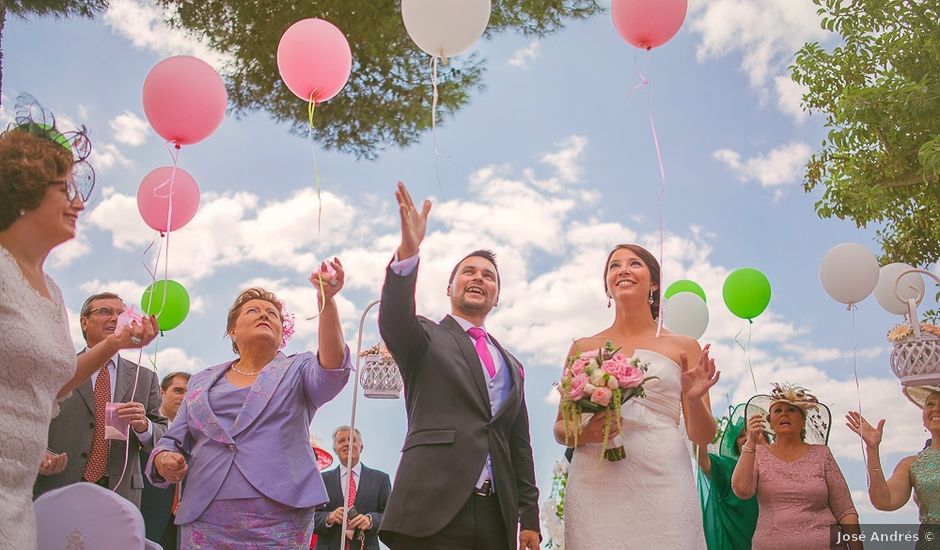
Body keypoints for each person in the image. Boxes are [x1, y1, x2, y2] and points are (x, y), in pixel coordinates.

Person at [0, 95, 157, 549]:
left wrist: (115, 344)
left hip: (15, 502)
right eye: (64, 190)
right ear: (23, 190)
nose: (78, 204)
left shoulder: (52, 293)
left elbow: (55, 382)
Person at [377, 182, 541, 550]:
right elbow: (393, 318)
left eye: (488, 276)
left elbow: (519, 443)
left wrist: (529, 515)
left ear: (496, 297)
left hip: (496, 515)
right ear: (449, 287)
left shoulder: (512, 366)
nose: (478, 278)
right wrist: (408, 252)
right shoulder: (424, 337)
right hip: (432, 510)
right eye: (468, 272)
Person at [147, 276, 351, 549]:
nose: (264, 315)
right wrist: (164, 458)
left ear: (281, 332)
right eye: (253, 310)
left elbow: (333, 366)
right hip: (205, 515)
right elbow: (172, 439)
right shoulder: (200, 381)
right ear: (232, 331)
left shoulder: (299, 369)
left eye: (273, 314)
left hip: (280, 516)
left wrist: (327, 301)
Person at [554, 243, 718, 550]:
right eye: (614, 266)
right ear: (607, 284)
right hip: (595, 480)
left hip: (664, 478)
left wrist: (694, 399)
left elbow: (703, 435)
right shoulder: (582, 347)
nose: (623, 270)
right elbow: (561, 428)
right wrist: (586, 432)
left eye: (634, 264)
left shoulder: (684, 346)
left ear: (654, 282)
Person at [34, 292, 169, 506]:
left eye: (121, 313)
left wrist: (144, 427)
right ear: (84, 322)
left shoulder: (144, 377)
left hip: (119, 494)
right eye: (105, 311)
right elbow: (30, 419)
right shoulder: (60, 368)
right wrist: (39, 454)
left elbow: (163, 435)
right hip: (58, 486)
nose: (115, 318)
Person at [732, 383, 860, 550]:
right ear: (770, 423)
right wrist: (750, 442)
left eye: (791, 410)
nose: (784, 413)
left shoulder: (822, 454)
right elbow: (741, 490)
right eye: (778, 410)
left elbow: (845, 510)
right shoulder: (758, 454)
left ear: (803, 421)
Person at [846, 385, 940, 530]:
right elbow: (884, 501)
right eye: (930, 404)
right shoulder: (911, 464)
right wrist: (872, 449)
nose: (935, 409)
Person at [313, 426, 391, 550]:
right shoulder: (321, 480)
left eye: (352, 440)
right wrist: (328, 517)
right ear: (335, 449)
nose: (347, 444)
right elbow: (307, 517)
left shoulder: (380, 479)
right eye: (341, 440)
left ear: (361, 447)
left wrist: (371, 520)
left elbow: (390, 516)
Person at [696, 404, 759, 550]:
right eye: (742, 435)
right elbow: (702, 459)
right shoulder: (728, 466)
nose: (749, 438)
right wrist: (700, 422)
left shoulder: (779, 467)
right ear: (736, 445)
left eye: (754, 432)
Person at [141, 371, 191, 550]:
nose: (184, 397)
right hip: (146, 519)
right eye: (178, 390)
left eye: (188, 392)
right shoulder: (145, 429)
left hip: (181, 527)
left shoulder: (198, 436)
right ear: (162, 392)